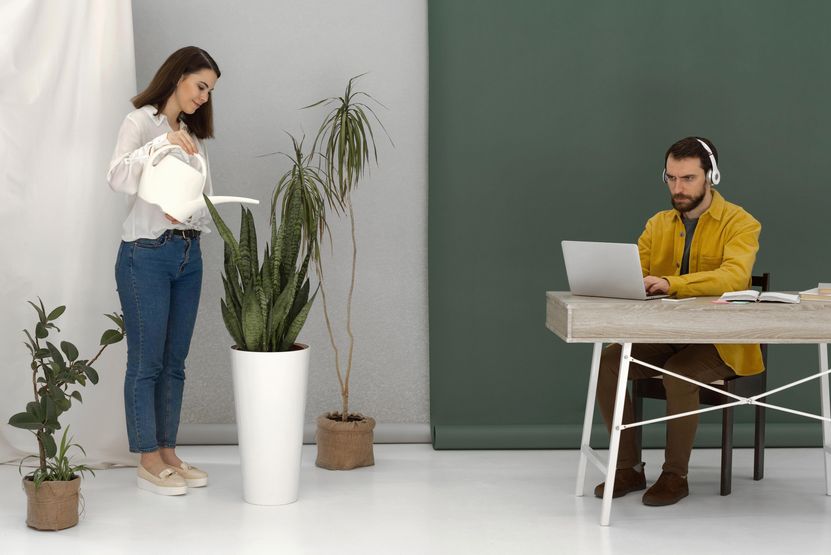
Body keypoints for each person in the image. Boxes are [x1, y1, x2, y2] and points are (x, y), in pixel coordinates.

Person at [594, 136, 763, 506]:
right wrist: (619, 281)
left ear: (711, 177)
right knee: (609, 361)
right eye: (670, 178)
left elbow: (734, 277)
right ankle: (627, 469)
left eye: (687, 178)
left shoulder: (742, 223)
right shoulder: (657, 224)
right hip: (667, 335)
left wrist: (673, 283)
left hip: (723, 342)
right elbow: (634, 270)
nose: (677, 187)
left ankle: (675, 476)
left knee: (677, 371)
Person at [107, 46, 220, 496]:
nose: (204, 98)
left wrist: (189, 216)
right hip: (145, 256)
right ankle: (147, 458)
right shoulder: (141, 123)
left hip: (187, 256)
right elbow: (116, 176)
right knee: (147, 362)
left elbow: (203, 199)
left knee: (175, 364)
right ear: (178, 77)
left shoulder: (192, 135)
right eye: (201, 86)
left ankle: (168, 451)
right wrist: (160, 143)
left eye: (209, 91)